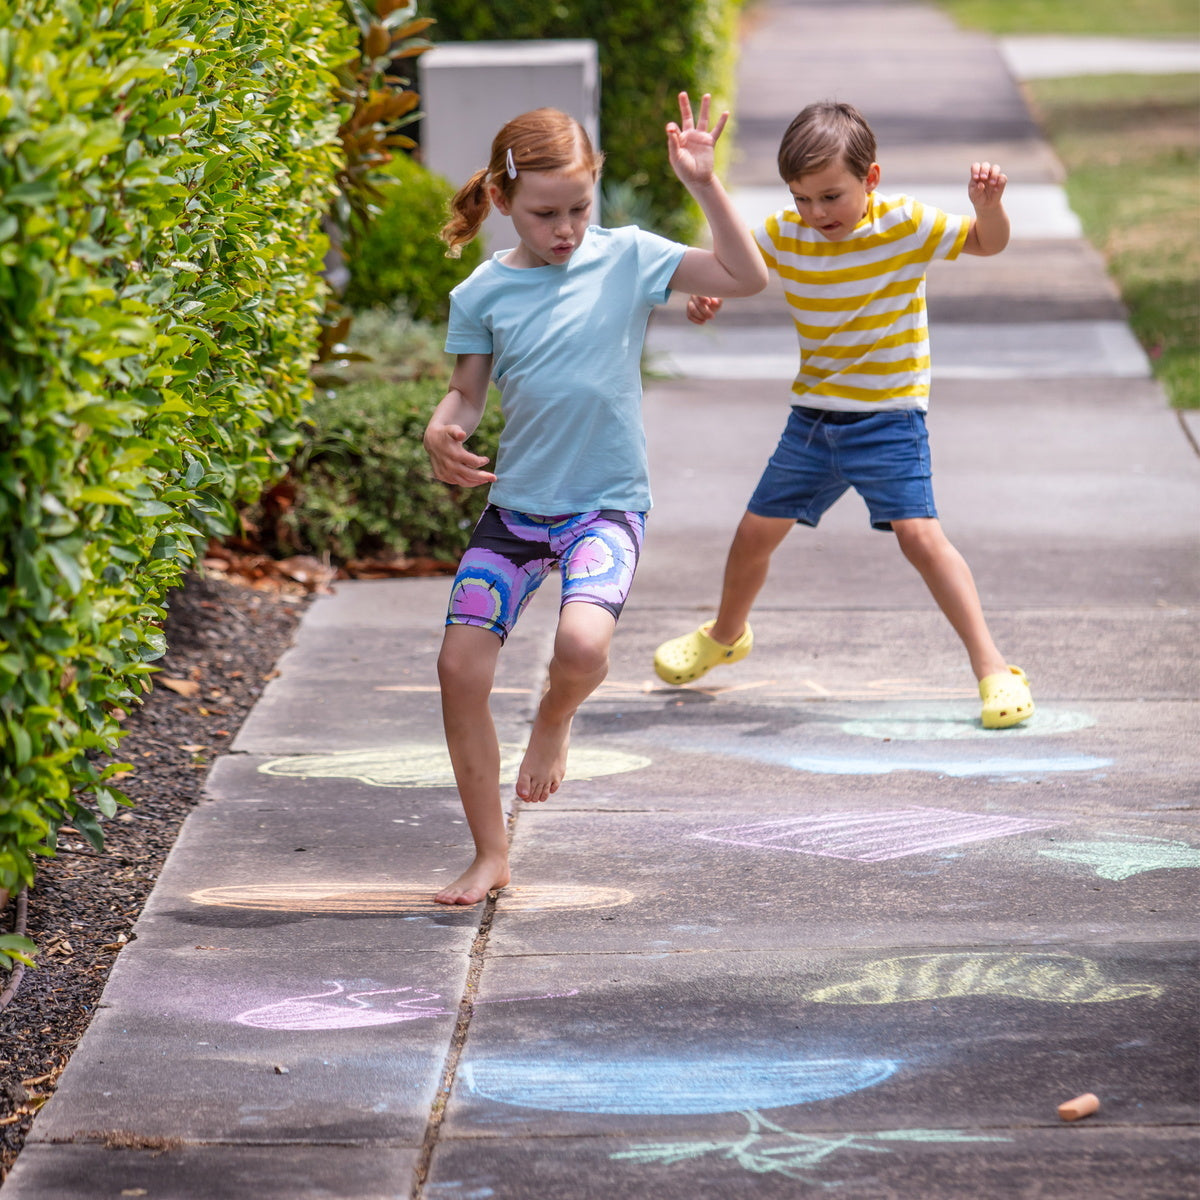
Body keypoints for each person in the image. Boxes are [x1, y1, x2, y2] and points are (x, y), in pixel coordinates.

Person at [423, 95, 768, 905]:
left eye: (580, 207)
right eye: (545, 214)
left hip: (603, 508)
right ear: (503, 202)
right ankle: (490, 853)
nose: (566, 228)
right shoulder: (480, 293)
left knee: (580, 650)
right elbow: (466, 396)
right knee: (457, 667)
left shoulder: (629, 257)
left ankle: (554, 718)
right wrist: (443, 431)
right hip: (515, 513)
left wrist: (706, 186)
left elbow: (746, 277)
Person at [653, 100, 1035, 731]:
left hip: (888, 417)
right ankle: (725, 635)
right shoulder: (787, 232)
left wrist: (988, 208)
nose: (815, 214)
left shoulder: (904, 223)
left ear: (871, 180)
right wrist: (710, 295)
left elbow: (985, 245)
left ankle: (993, 666)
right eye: (802, 198)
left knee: (920, 538)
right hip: (813, 420)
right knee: (753, 535)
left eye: (830, 196)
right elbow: (738, 266)